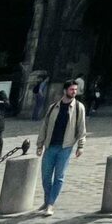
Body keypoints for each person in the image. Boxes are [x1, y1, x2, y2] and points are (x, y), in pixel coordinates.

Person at [36, 80, 86, 216]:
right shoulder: (53, 107)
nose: (74, 92)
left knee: (59, 177)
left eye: (75, 90)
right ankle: (47, 201)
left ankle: (50, 204)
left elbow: (81, 128)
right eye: (71, 90)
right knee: (46, 177)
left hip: (65, 147)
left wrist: (81, 146)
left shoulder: (79, 107)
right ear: (65, 91)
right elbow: (44, 126)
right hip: (50, 146)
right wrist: (39, 144)